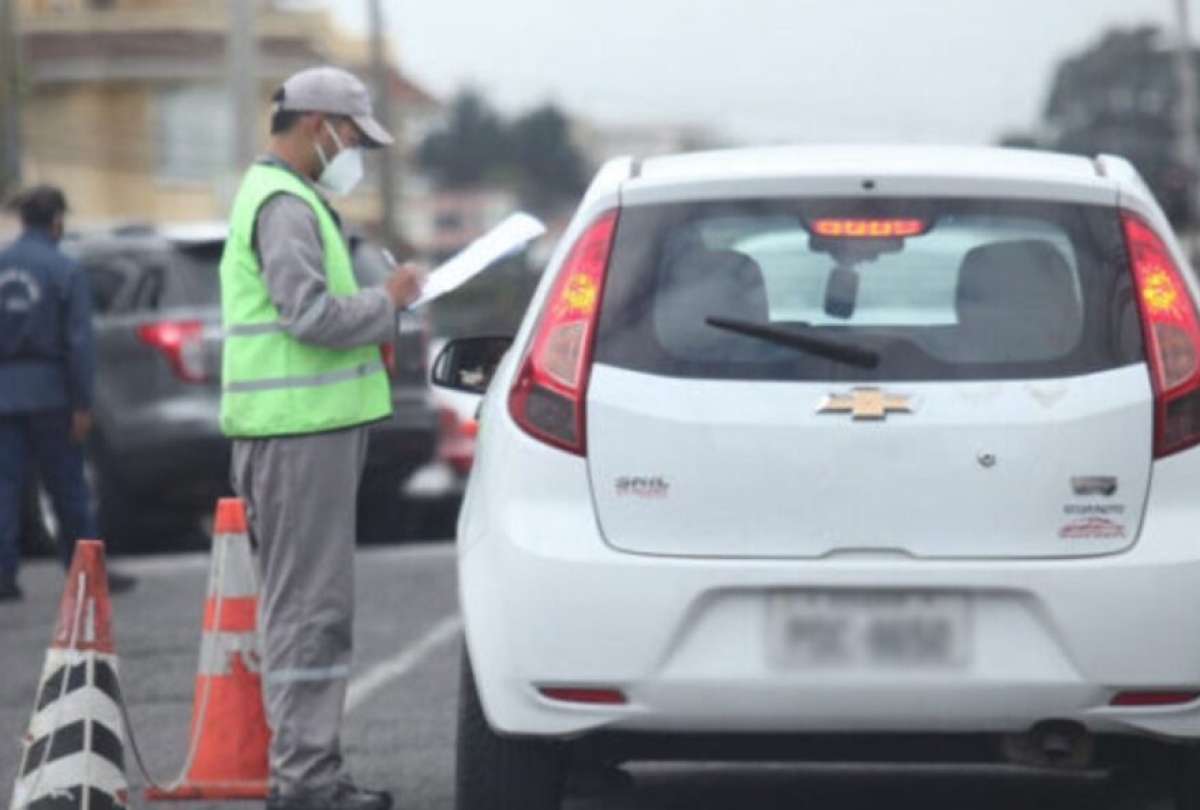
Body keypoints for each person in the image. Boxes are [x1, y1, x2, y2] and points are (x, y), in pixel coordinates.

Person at [220, 67, 422, 810]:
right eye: (353, 138)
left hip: (306, 430)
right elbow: (306, 316)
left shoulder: (290, 197)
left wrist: (378, 313)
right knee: (310, 613)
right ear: (319, 126)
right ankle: (306, 780)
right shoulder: (284, 204)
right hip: (297, 432)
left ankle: (309, 772)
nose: (355, 153)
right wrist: (385, 302)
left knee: (310, 609)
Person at [0, 186, 135, 601]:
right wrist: (82, 403)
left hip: (5, 392)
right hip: (52, 394)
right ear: (57, 220)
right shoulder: (64, 269)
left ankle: (3, 576)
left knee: (4, 486)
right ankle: (86, 574)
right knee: (68, 487)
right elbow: (79, 342)